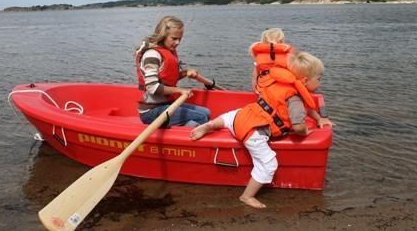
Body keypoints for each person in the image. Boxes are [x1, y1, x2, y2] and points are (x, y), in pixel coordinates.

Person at [190, 51, 333, 208]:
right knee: (268, 164)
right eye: (319, 79)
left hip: (243, 115)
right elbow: (299, 126)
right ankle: (247, 196)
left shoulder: (278, 83)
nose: (321, 82)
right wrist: (305, 132)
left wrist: (319, 118)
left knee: (230, 116)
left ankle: (211, 124)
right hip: (255, 132)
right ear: (305, 81)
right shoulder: (295, 98)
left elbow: (307, 107)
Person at [135, 15, 211, 127]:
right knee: (201, 117)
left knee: (206, 112)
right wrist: (179, 90)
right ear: (163, 36)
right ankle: (184, 138)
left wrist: (185, 73)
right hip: (151, 112)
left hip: (164, 104)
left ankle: (183, 129)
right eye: (174, 38)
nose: (177, 43)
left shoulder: (167, 51)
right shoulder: (152, 55)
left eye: (180, 39)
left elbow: (167, 77)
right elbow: (152, 87)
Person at [249, 28, 294, 93]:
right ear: (281, 41)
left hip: (264, 87)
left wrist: (255, 89)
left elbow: (254, 76)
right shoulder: (288, 55)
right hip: (283, 88)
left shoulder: (260, 56)